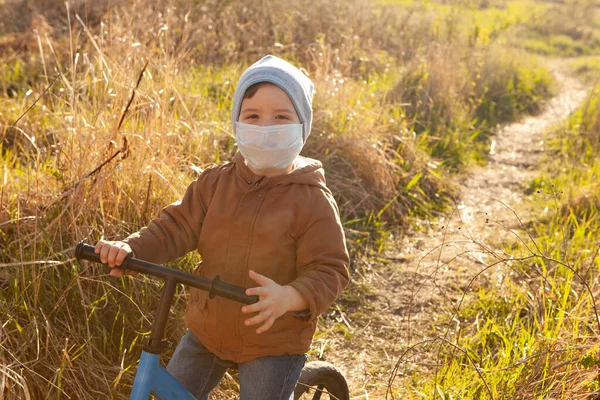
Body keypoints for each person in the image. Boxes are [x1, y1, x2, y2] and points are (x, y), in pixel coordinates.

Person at [94, 55, 350, 400]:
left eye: (281, 117)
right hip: (208, 329)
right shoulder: (215, 184)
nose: (265, 128)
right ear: (237, 122)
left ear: (302, 126)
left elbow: (330, 268)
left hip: (273, 339)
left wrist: (291, 296)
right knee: (171, 393)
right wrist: (132, 248)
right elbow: (176, 226)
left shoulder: (311, 200)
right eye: (253, 116)